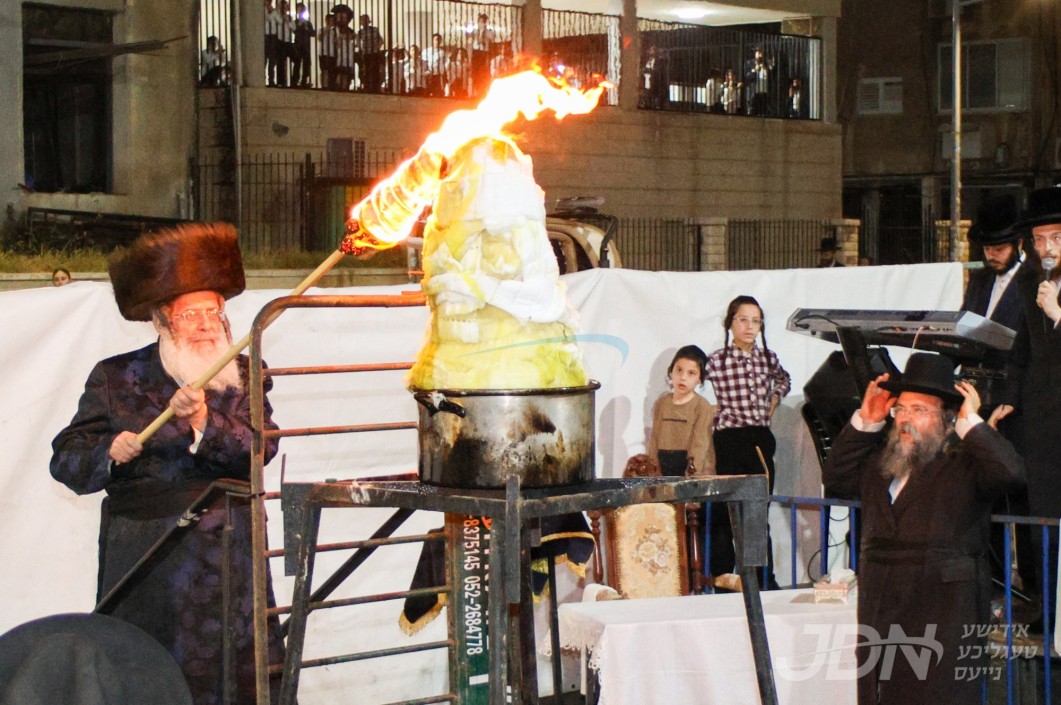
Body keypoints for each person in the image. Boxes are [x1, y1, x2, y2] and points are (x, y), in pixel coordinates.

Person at [50, 223, 284, 705]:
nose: (206, 324)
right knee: (149, 676)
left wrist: (202, 420)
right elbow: (67, 460)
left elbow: (261, 449)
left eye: (214, 312)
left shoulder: (245, 372)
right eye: (191, 314)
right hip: (148, 560)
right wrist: (109, 452)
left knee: (235, 679)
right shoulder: (117, 376)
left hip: (229, 557)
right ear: (161, 320)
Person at [822, 353, 1023, 705]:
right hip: (881, 612)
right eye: (901, 409)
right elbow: (836, 477)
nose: (905, 419)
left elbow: (1012, 474)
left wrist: (971, 424)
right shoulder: (881, 462)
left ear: (946, 417)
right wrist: (867, 421)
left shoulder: (966, 464)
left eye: (918, 410)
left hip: (943, 616)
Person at [994, 185, 1061, 633]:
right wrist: (1009, 397)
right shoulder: (1029, 283)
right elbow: (1022, 350)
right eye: (1039, 240)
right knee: (1044, 519)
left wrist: (1059, 314)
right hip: (1042, 419)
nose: (1046, 248)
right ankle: (1048, 610)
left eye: (1055, 238)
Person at [704, 295, 790, 589]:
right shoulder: (717, 360)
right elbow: (697, 385)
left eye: (756, 321)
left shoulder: (768, 358)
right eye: (743, 320)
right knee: (724, 512)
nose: (750, 327)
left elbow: (784, 380)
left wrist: (774, 399)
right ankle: (722, 578)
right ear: (730, 323)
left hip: (759, 440)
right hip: (728, 440)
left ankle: (761, 581)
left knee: (756, 512)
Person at [647, 345, 716, 477]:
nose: (683, 377)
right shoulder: (661, 403)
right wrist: (653, 472)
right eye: (679, 370)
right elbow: (654, 441)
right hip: (664, 469)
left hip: (691, 471)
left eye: (691, 373)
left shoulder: (702, 406)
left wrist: (690, 477)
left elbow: (700, 445)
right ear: (671, 371)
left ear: (700, 379)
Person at [468, 13, 495, 97]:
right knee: (475, 73)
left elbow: (492, 38)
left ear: (485, 23)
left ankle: (482, 91)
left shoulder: (488, 32)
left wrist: (485, 30)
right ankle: (475, 91)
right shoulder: (475, 32)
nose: (480, 24)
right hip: (476, 53)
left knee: (482, 73)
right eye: (479, 22)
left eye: (482, 22)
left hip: (483, 53)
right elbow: (469, 42)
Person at [357, 13, 384, 92]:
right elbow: (358, 43)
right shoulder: (360, 32)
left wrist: (377, 48)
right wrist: (361, 50)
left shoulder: (374, 29)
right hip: (366, 54)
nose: (364, 21)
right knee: (367, 71)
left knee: (374, 71)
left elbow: (381, 40)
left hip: (374, 53)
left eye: (365, 19)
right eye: (362, 20)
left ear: (369, 21)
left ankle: (375, 88)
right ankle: (368, 87)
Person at [744, 47, 775, 117]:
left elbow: (772, 77)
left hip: (765, 91)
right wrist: (754, 70)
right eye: (758, 52)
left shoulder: (767, 63)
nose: (760, 55)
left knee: (764, 111)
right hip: (754, 92)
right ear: (755, 54)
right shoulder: (750, 63)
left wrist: (770, 66)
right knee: (753, 111)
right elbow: (747, 77)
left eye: (761, 53)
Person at [291, 2, 316, 87]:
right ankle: (295, 81)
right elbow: (294, 31)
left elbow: (313, 33)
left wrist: (307, 29)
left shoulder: (308, 23)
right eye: (299, 9)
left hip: (306, 45)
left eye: (302, 10)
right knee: (297, 63)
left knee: (306, 64)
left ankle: (304, 81)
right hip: (298, 45)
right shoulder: (295, 22)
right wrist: (299, 25)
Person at [639, 45, 668, 110]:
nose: (651, 52)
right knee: (648, 93)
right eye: (651, 50)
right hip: (648, 80)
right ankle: (648, 104)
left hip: (654, 81)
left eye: (653, 50)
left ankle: (655, 105)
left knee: (654, 93)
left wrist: (649, 71)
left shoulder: (660, 61)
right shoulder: (649, 60)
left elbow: (658, 71)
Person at [423, 33, 446, 97]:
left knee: (437, 93)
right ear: (432, 40)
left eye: (439, 40)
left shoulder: (442, 52)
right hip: (429, 75)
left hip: (438, 76)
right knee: (427, 93)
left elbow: (444, 64)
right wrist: (426, 71)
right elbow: (424, 62)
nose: (437, 41)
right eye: (436, 39)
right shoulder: (427, 51)